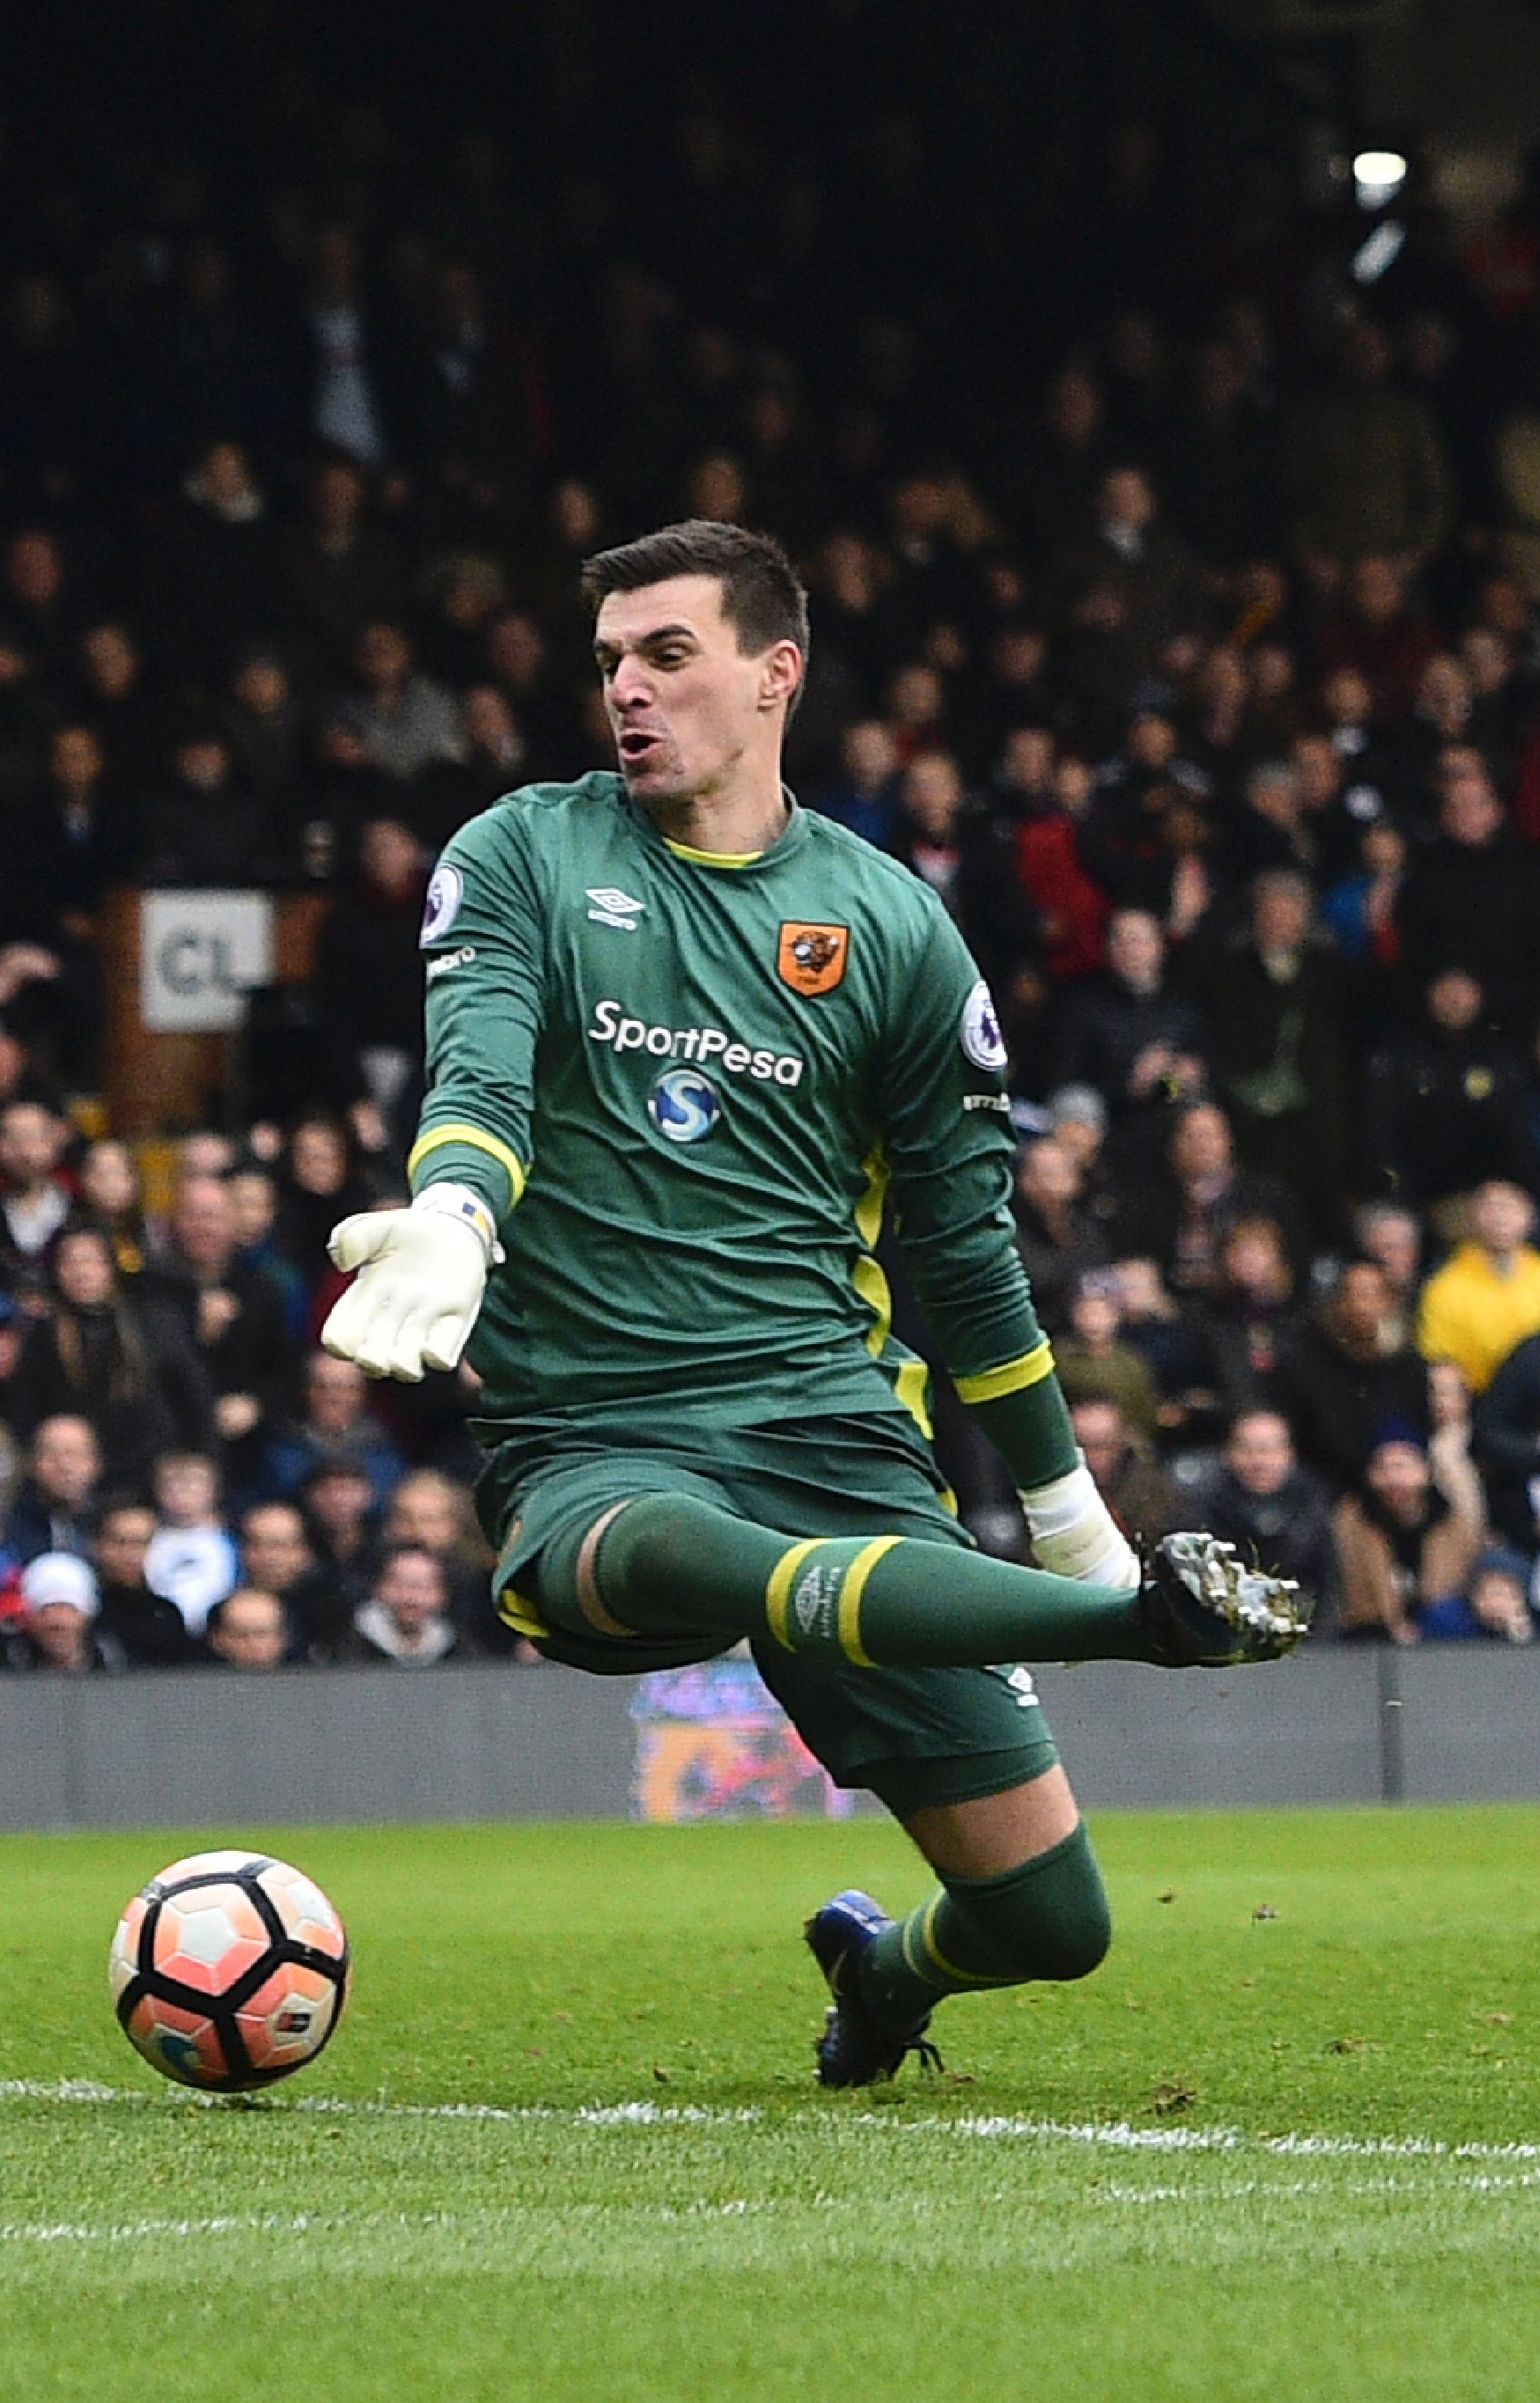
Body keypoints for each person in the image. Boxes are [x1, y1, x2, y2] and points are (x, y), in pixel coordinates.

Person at [324, 520, 1304, 2091]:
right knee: (725, 1562)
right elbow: (481, 1075)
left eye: (666, 655)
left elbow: (966, 1254)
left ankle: (883, 1964)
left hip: (835, 1433)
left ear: (775, 673)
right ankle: (1136, 1635)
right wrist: (453, 1210)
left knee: (1054, 1919)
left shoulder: (897, 927)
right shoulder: (521, 853)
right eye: (608, 665)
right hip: (601, 1445)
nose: (627, 694)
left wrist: (1065, 1510)